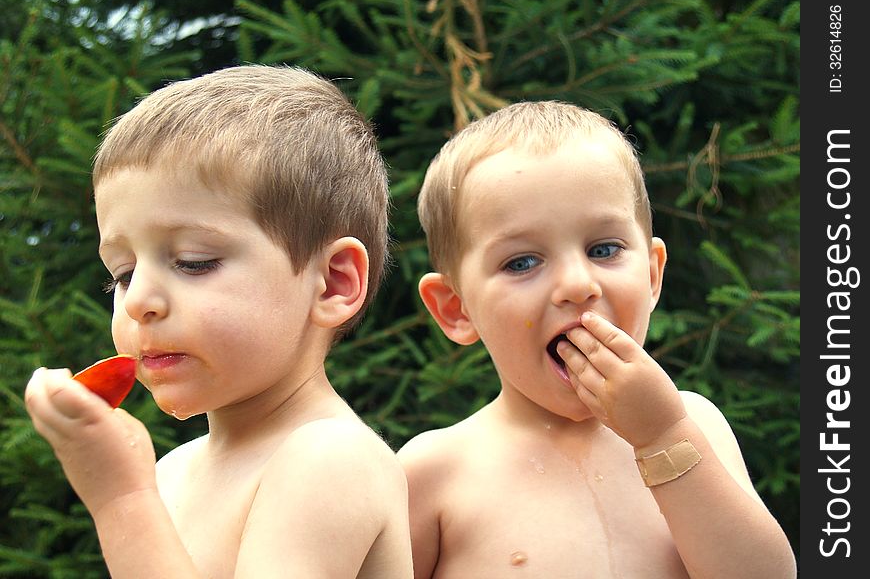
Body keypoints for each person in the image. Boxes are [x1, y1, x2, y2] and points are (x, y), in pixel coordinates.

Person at [24, 65, 413, 578]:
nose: (139, 299)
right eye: (121, 273)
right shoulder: (172, 472)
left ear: (334, 283)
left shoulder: (330, 459)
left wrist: (121, 501)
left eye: (193, 261)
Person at [398, 100, 797, 578]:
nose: (577, 284)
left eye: (604, 249)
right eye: (522, 262)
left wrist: (662, 438)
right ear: (456, 309)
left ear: (651, 275)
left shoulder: (694, 426)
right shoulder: (436, 471)